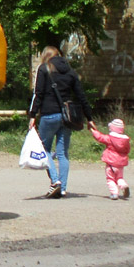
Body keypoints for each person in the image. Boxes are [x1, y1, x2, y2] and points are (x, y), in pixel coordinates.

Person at [28, 46, 94, 198]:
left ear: (46, 56)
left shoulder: (44, 69)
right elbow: (81, 96)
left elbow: (38, 94)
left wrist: (32, 115)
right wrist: (89, 118)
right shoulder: (71, 72)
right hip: (67, 118)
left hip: (48, 115)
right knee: (63, 153)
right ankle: (62, 188)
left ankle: (55, 182)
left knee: (44, 150)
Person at [88, 118, 131, 200]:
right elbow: (127, 150)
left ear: (112, 128)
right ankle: (124, 185)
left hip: (110, 163)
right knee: (119, 178)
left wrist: (93, 131)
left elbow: (100, 137)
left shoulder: (110, 138)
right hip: (120, 163)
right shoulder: (125, 140)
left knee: (110, 179)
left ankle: (114, 193)